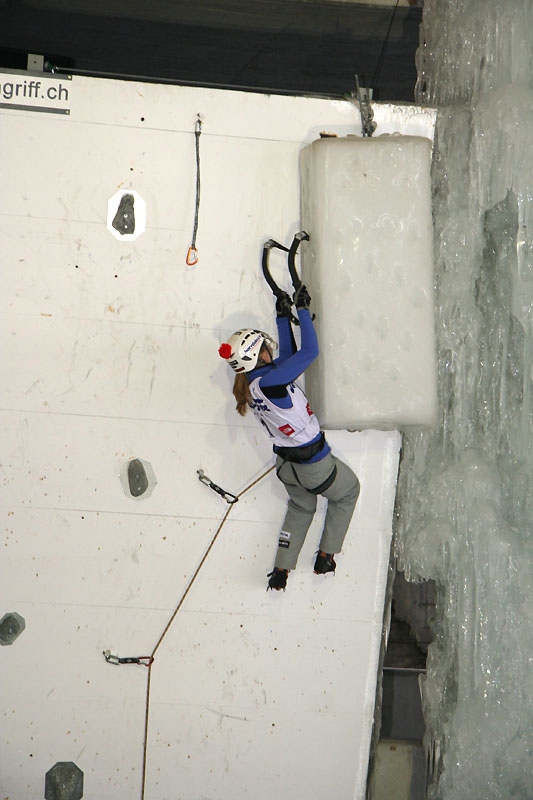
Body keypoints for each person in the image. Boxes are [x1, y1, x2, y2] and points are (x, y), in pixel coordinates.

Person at [218, 274, 360, 592]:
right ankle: (326, 556)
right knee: (348, 491)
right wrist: (303, 310)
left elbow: (289, 358)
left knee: (302, 507)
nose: (270, 349)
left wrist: (284, 314)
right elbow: (308, 353)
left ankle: (281, 571)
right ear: (257, 355)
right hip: (311, 466)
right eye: (265, 347)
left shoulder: (254, 383)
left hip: (288, 467)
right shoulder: (270, 382)